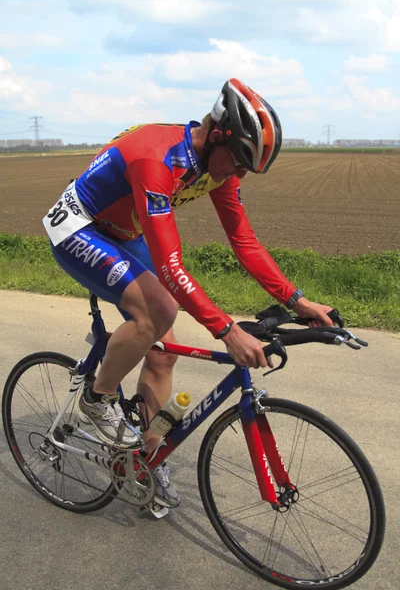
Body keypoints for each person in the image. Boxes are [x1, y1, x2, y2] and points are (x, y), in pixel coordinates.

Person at [43, 78, 334, 508]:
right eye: (237, 163)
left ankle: (146, 453)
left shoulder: (217, 164)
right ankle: (96, 397)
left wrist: (297, 300)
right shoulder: (156, 159)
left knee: (163, 349)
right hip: (79, 226)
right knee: (157, 311)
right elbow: (170, 266)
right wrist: (226, 330)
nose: (236, 175)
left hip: (124, 231)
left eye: (244, 170)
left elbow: (243, 241)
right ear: (216, 135)